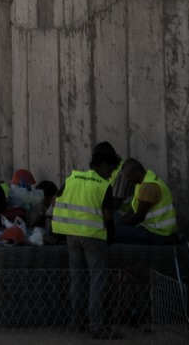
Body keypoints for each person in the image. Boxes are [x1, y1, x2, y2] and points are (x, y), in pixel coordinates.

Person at [53, 141, 123, 338]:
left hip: (71, 235)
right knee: (97, 280)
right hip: (93, 237)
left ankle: (77, 322)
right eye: (110, 169)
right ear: (102, 165)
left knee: (76, 278)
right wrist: (111, 236)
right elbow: (108, 217)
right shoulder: (103, 185)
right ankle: (97, 326)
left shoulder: (72, 178)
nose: (110, 174)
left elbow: (55, 199)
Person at [112, 157, 177, 246]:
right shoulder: (144, 181)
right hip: (155, 230)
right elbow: (134, 210)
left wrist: (120, 225)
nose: (127, 180)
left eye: (129, 176)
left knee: (113, 233)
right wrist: (121, 222)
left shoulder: (149, 186)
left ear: (137, 172)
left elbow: (138, 217)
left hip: (158, 234)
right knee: (116, 222)